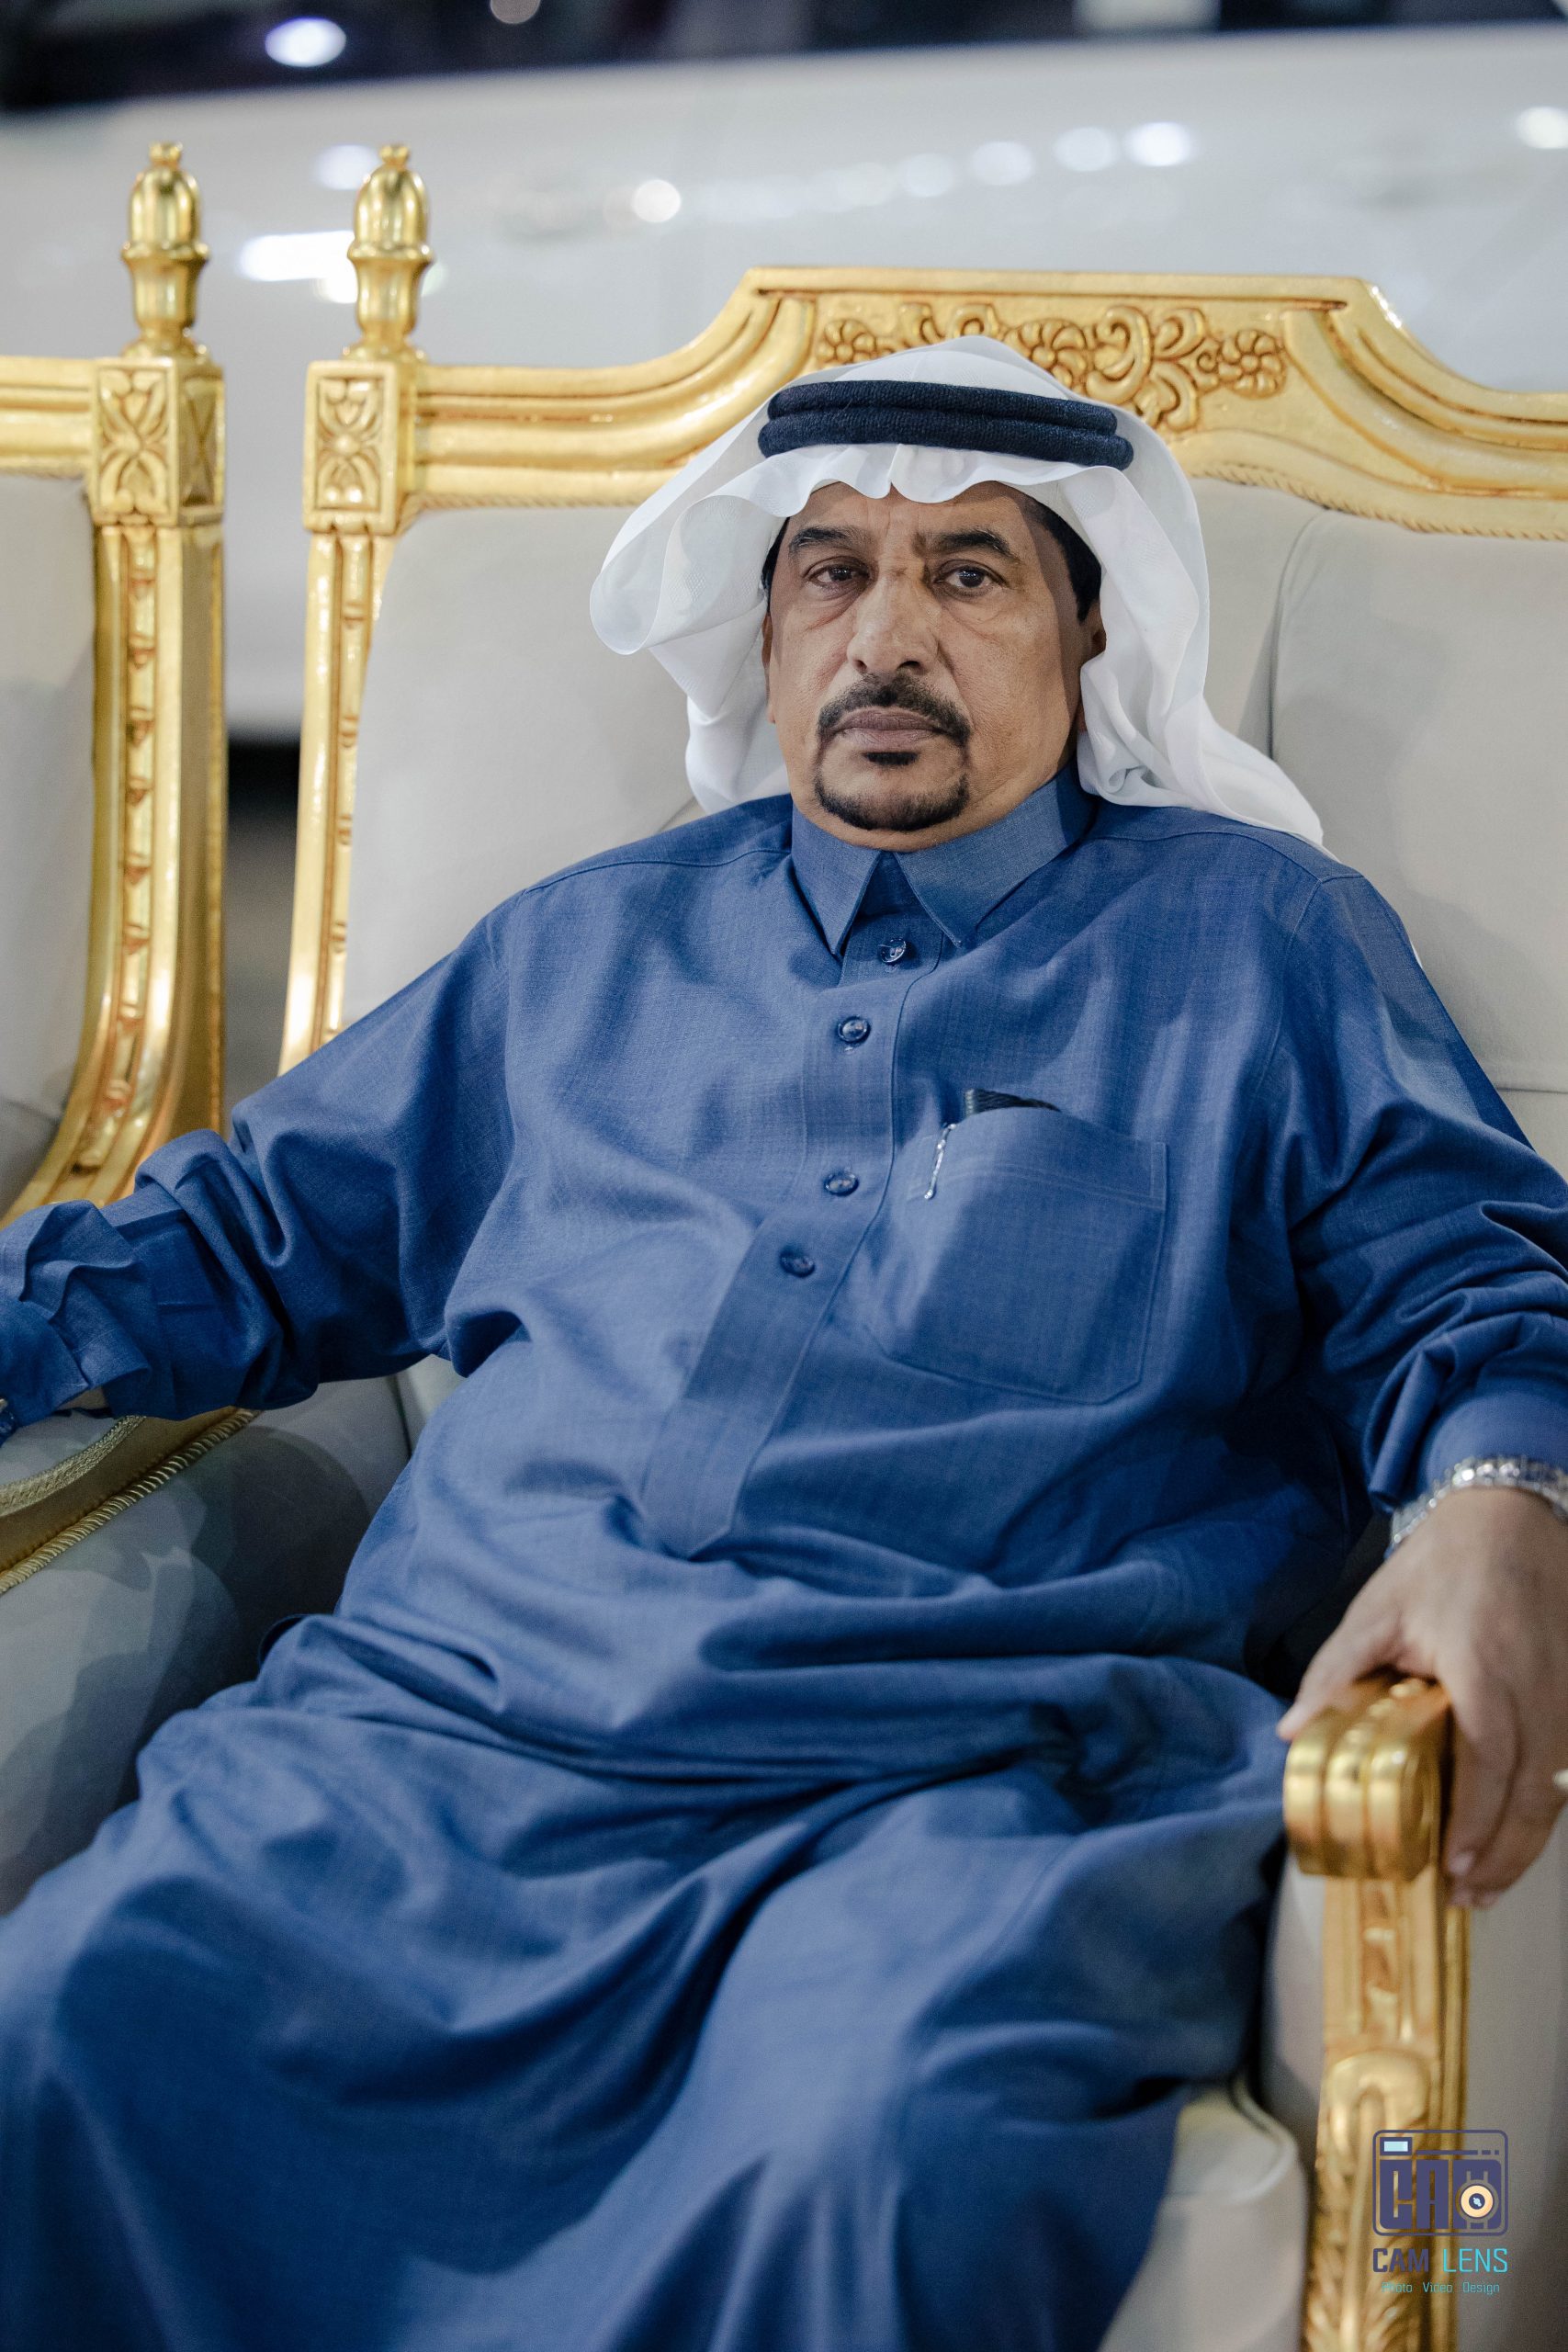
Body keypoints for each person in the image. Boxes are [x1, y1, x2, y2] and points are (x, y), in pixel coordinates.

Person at [0, 338, 1565, 2352]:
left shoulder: (1256, 941)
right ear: (764, 627)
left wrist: (1500, 1498)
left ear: (1089, 634)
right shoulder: (581, 948)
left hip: (958, 1789)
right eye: (832, 571)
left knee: (879, 2151)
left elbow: (1464, 1269)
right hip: (430, 1749)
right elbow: (235, 1241)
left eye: (969, 574)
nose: (886, 637)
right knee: (72, 2022)